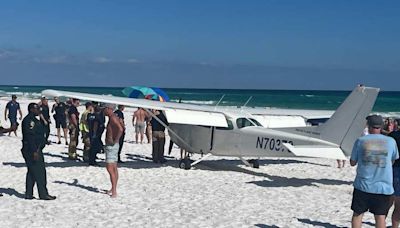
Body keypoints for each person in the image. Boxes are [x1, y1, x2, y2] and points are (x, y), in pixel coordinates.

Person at [350, 114, 399, 228]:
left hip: (363, 184)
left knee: (357, 214)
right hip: (383, 186)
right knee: (380, 216)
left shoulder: (361, 140)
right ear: (381, 127)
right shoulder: (391, 141)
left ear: (368, 125)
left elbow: (353, 162)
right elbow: (393, 159)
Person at [21, 103, 56, 200]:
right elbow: (30, 137)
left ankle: (29, 193)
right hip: (32, 149)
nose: (39, 110)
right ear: (32, 109)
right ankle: (43, 194)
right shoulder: (29, 121)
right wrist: (34, 151)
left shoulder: (35, 120)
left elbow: (42, 131)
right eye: (37, 109)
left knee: (32, 172)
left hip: (36, 148)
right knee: (40, 172)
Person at [103, 103, 123, 198]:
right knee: (114, 167)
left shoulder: (113, 118)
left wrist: (115, 140)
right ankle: (113, 188)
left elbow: (120, 129)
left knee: (110, 168)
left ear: (108, 109)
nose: (104, 111)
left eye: (105, 109)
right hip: (113, 146)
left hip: (111, 146)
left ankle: (114, 191)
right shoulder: (114, 117)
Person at [389, 119, 400, 228]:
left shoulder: (392, 135)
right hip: (397, 169)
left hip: (393, 168)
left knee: (390, 202)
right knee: (398, 205)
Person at [88, 102, 106, 166]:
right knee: (94, 147)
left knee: (92, 147)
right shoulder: (97, 117)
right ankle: (92, 161)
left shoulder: (90, 115)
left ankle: (91, 160)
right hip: (95, 134)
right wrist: (95, 134)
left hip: (91, 133)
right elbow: (95, 125)